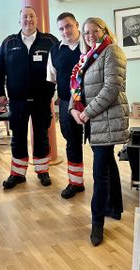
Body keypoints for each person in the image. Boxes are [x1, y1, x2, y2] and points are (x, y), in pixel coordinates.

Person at [69, 17, 129, 246]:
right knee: (106, 163)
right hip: (94, 122)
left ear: (105, 31)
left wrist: (87, 113)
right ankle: (114, 207)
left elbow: (112, 88)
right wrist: (74, 109)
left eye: (95, 30)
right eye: (86, 32)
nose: (90, 35)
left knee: (100, 170)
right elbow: (75, 87)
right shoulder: (86, 57)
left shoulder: (112, 51)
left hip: (106, 119)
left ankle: (97, 222)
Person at [0, 6, 58, 189]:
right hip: (17, 101)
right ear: (19, 21)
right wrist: (0, 93)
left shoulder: (49, 41)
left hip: (41, 100)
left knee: (41, 135)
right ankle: (18, 173)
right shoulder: (9, 43)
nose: (28, 20)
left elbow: (60, 66)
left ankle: (42, 171)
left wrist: (59, 92)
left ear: (37, 19)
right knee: (18, 137)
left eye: (31, 16)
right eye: (24, 17)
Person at [47, 12, 85, 199]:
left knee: (99, 146)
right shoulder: (55, 51)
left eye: (68, 26)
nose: (65, 31)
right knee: (72, 143)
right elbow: (52, 78)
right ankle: (76, 182)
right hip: (65, 103)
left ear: (77, 24)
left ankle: (105, 183)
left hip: (91, 103)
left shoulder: (89, 45)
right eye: (61, 28)